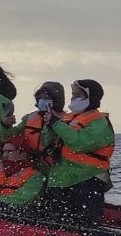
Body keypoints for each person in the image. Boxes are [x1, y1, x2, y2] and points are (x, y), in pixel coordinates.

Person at [39, 79, 114, 222]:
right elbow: (47, 142)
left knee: (86, 223)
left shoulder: (99, 122)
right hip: (60, 180)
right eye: (73, 95)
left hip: (86, 180)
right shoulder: (67, 119)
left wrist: (56, 123)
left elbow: (79, 143)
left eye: (78, 95)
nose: (73, 98)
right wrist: (49, 125)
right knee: (58, 223)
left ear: (91, 97)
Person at [3, 81, 66, 175]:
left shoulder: (65, 120)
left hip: (53, 167)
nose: (42, 100)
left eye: (47, 98)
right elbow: (12, 136)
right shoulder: (30, 118)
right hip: (29, 164)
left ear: (57, 100)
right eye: (40, 97)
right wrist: (5, 125)